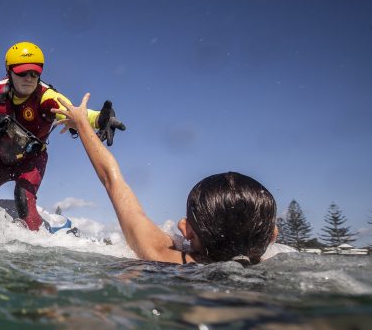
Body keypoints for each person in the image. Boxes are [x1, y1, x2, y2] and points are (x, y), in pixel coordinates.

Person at [56, 93, 279, 265]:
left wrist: (82, 123)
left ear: (186, 229)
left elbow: (111, 179)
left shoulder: (162, 256)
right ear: (273, 235)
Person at [0, 41, 115, 231]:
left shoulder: (46, 97)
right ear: (9, 72)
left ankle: (39, 243)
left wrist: (100, 119)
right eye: (22, 72)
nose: (29, 78)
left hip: (31, 162)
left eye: (35, 73)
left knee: (23, 198)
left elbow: (75, 112)